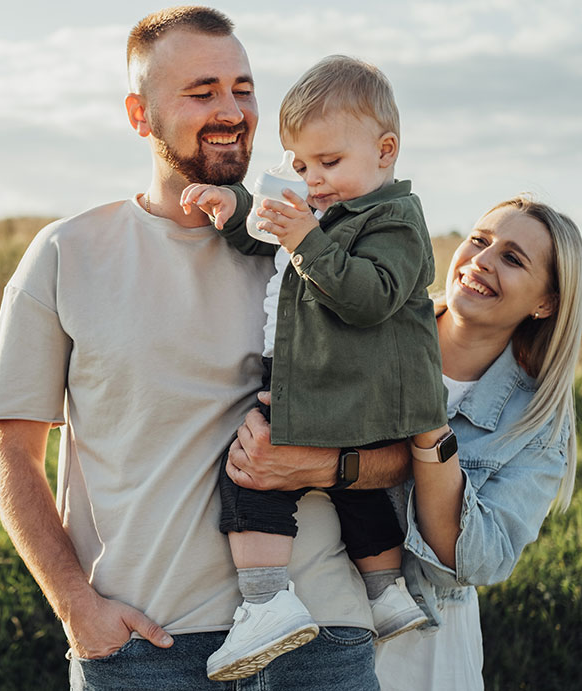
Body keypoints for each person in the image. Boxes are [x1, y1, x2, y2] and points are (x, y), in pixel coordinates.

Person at [0, 7, 405, 690]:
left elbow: (404, 442)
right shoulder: (65, 254)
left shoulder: (321, 247)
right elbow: (10, 449)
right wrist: (75, 606)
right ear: (139, 114)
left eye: (243, 87)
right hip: (147, 647)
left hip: (321, 638)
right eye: (202, 90)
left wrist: (319, 464)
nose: (231, 109)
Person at [180, 55, 449, 681]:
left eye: (329, 163)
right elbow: (264, 229)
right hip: (330, 380)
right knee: (355, 494)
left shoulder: (395, 221)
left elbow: (371, 294)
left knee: (252, 475)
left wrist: (306, 239)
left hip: (325, 380)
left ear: (386, 151)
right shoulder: (319, 208)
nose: (314, 180)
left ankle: (267, 602)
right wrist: (233, 203)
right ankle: (385, 594)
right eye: (301, 164)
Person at [371, 196, 582, 690]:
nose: (482, 262)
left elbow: (468, 561)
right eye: (480, 240)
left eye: (512, 258)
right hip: (308, 603)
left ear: (545, 303)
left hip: (422, 646)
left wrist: (426, 423)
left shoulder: (537, 420)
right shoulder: (375, 326)